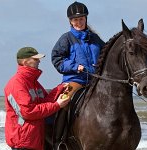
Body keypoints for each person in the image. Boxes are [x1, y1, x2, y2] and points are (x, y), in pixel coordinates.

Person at [51, 1, 105, 149]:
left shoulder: (95, 39)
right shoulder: (66, 38)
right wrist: (75, 67)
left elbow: (106, 56)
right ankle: (58, 140)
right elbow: (56, 59)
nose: (79, 22)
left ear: (86, 19)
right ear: (70, 21)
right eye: (75, 19)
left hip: (95, 81)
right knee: (63, 100)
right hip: (74, 80)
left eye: (81, 19)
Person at [4, 47, 70, 150]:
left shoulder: (33, 82)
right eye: (35, 59)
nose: (39, 61)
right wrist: (57, 105)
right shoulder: (16, 84)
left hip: (34, 140)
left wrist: (58, 89)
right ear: (25, 62)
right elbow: (28, 112)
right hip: (23, 143)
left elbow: (44, 101)